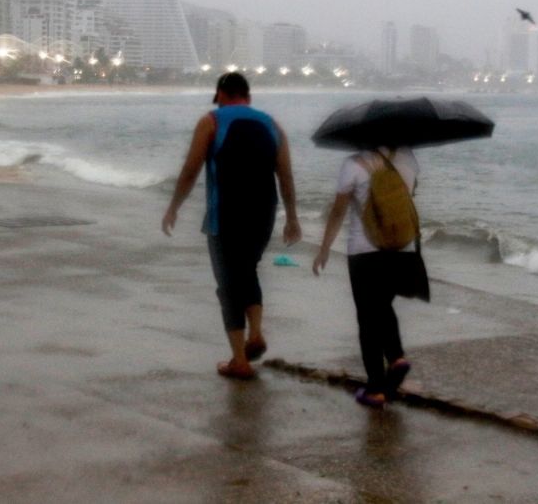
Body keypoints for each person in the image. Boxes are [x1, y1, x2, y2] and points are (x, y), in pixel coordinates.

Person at [163, 72, 302, 380]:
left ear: (222, 95)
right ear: (248, 98)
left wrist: (174, 206)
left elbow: (191, 169)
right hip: (264, 213)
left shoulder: (211, 122)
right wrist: (292, 218)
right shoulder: (272, 125)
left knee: (228, 283)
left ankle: (239, 360)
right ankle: (255, 333)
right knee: (247, 269)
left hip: (225, 214)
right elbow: (286, 176)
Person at [312, 146, 429, 407]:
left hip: (364, 251)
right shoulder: (408, 159)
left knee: (367, 318)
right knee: (382, 306)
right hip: (401, 249)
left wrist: (324, 249)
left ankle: (375, 388)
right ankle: (396, 358)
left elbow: (338, 211)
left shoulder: (354, 163)